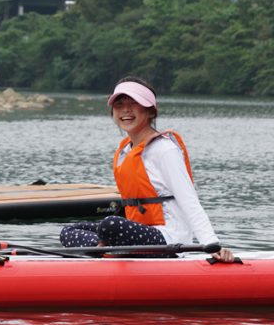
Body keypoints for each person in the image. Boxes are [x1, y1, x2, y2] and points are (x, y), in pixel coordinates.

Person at [59, 77, 234, 262]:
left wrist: (211, 244)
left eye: (134, 103)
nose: (126, 110)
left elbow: (189, 201)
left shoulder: (165, 149)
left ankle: (107, 248)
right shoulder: (126, 150)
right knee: (69, 231)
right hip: (137, 234)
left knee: (110, 225)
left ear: (151, 112)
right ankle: (107, 248)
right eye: (119, 104)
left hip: (169, 239)